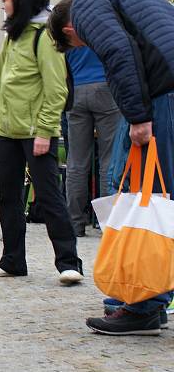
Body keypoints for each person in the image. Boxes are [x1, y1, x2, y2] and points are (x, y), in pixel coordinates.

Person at [47, 0, 174, 335]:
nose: (84, 46)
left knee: (148, 192)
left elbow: (119, 53)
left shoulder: (87, 7)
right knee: (144, 187)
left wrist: (138, 117)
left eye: (75, 44)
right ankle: (147, 296)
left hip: (164, 94)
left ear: (69, 29)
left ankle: (143, 304)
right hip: (164, 88)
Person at [0, 0, 84, 284]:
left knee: (50, 197)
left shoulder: (45, 37)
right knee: (8, 198)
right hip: (9, 132)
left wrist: (44, 131)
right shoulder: (13, 35)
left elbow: (56, 90)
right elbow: (1, 81)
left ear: (22, 0)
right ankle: (12, 260)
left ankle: (69, 263)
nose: (3, 4)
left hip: (37, 133)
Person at [63, 46, 121, 237]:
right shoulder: (103, 22)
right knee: (109, 160)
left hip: (76, 91)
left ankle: (75, 223)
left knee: (76, 162)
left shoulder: (68, 23)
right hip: (106, 88)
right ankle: (108, 223)